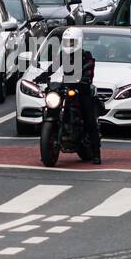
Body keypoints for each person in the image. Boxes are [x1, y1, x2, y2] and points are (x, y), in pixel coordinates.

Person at [36, 27, 102, 164]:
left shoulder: (86, 57)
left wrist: (83, 81)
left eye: (72, 42)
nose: (69, 45)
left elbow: (88, 73)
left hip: (82, 89)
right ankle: (48, 144)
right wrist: (42, 77)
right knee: (50, 106)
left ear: (79, 42)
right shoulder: (63, 55)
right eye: (67, 42)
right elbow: (53, 67)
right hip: (67, 87)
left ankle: (96, 153)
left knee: (89, 119)